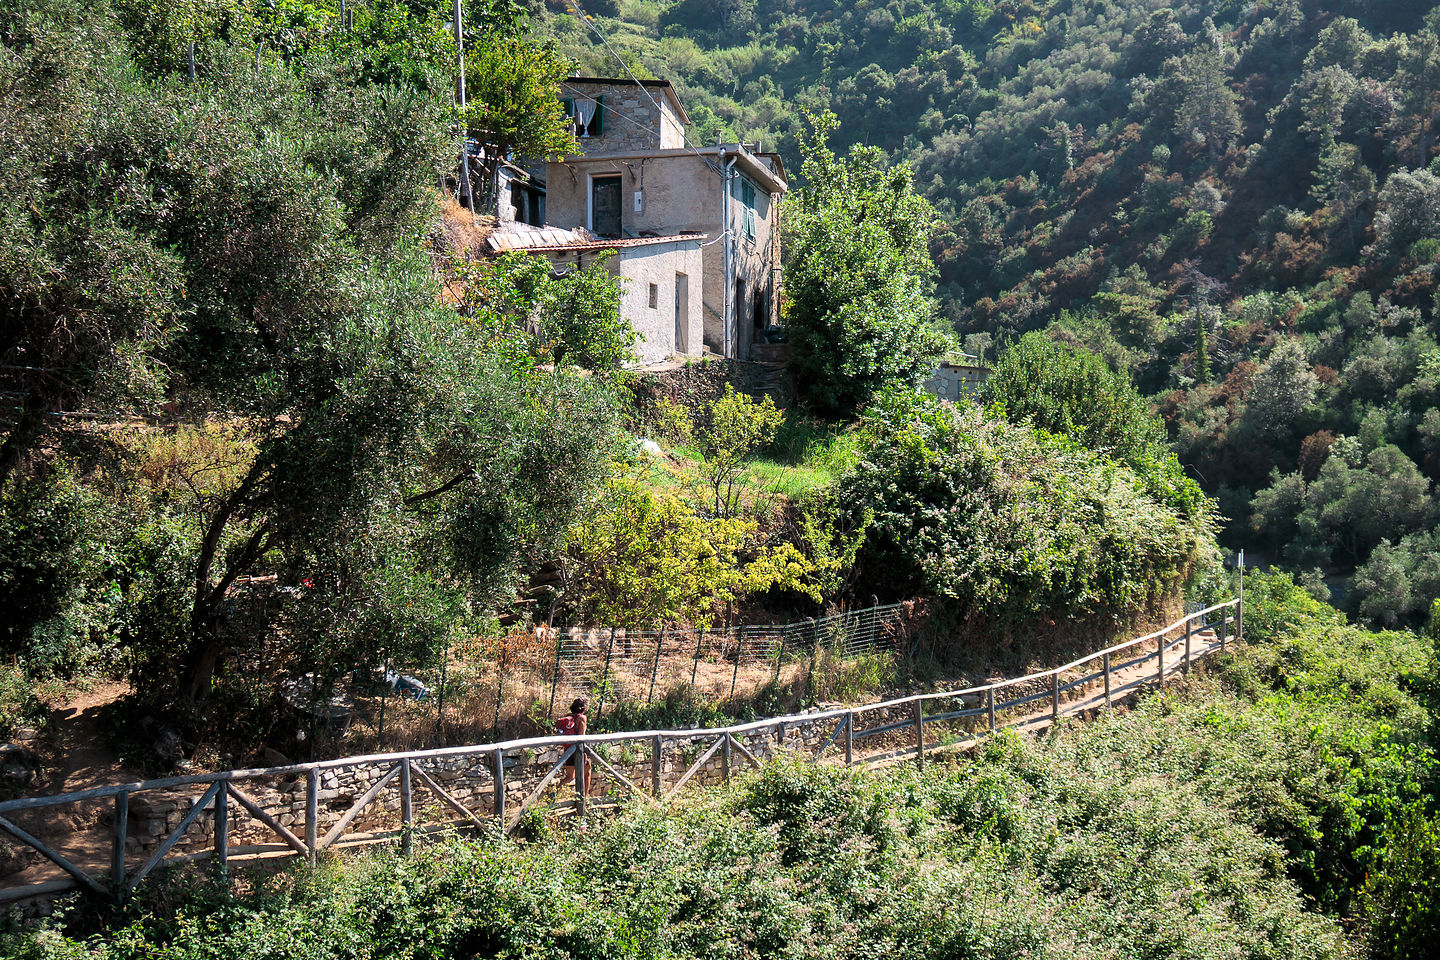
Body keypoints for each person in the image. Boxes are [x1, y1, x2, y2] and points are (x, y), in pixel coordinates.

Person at [556, 698, 590, 796]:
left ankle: (553, 794)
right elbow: (581, 736)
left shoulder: (568, 717)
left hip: (568, 750)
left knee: (570, 777)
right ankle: (584, 798)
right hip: (578, 751)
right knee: (587, 772)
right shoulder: (582, 718)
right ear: (584, 707)